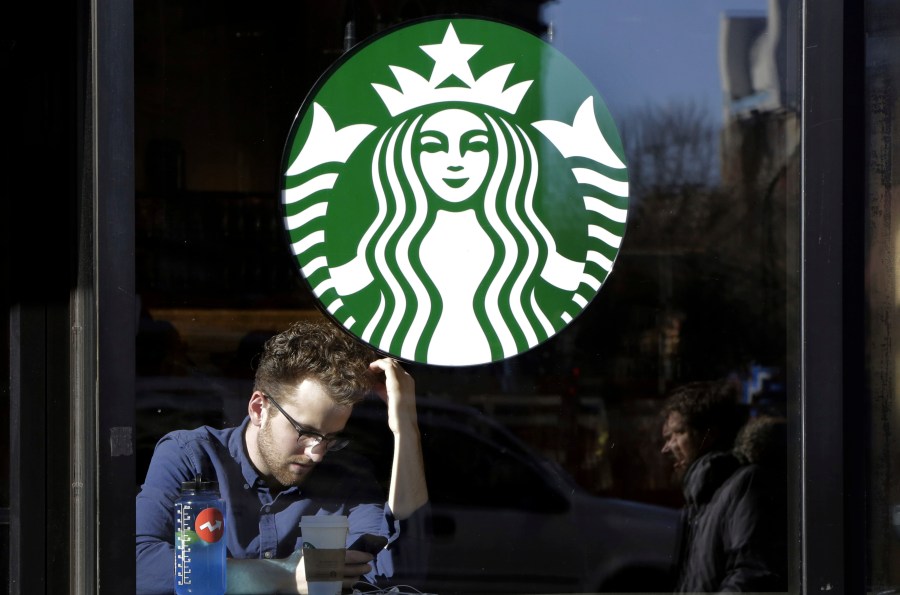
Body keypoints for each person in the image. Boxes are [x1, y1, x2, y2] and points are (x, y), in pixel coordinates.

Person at [136, 319, 429, 594]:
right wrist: (282, 575)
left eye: (330, 438)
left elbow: (398, 571)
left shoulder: (345, 477)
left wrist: (406, 429)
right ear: (259, 409)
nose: (317, 453)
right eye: (305, 431)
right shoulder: (192, 457)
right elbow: (139, 564)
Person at [660, 381, 787, 592]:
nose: (668, 447)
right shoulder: (698, 500)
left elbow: (751, 575)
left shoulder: (744, 485)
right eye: (667, 438)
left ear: (708, 434)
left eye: (678, 433)